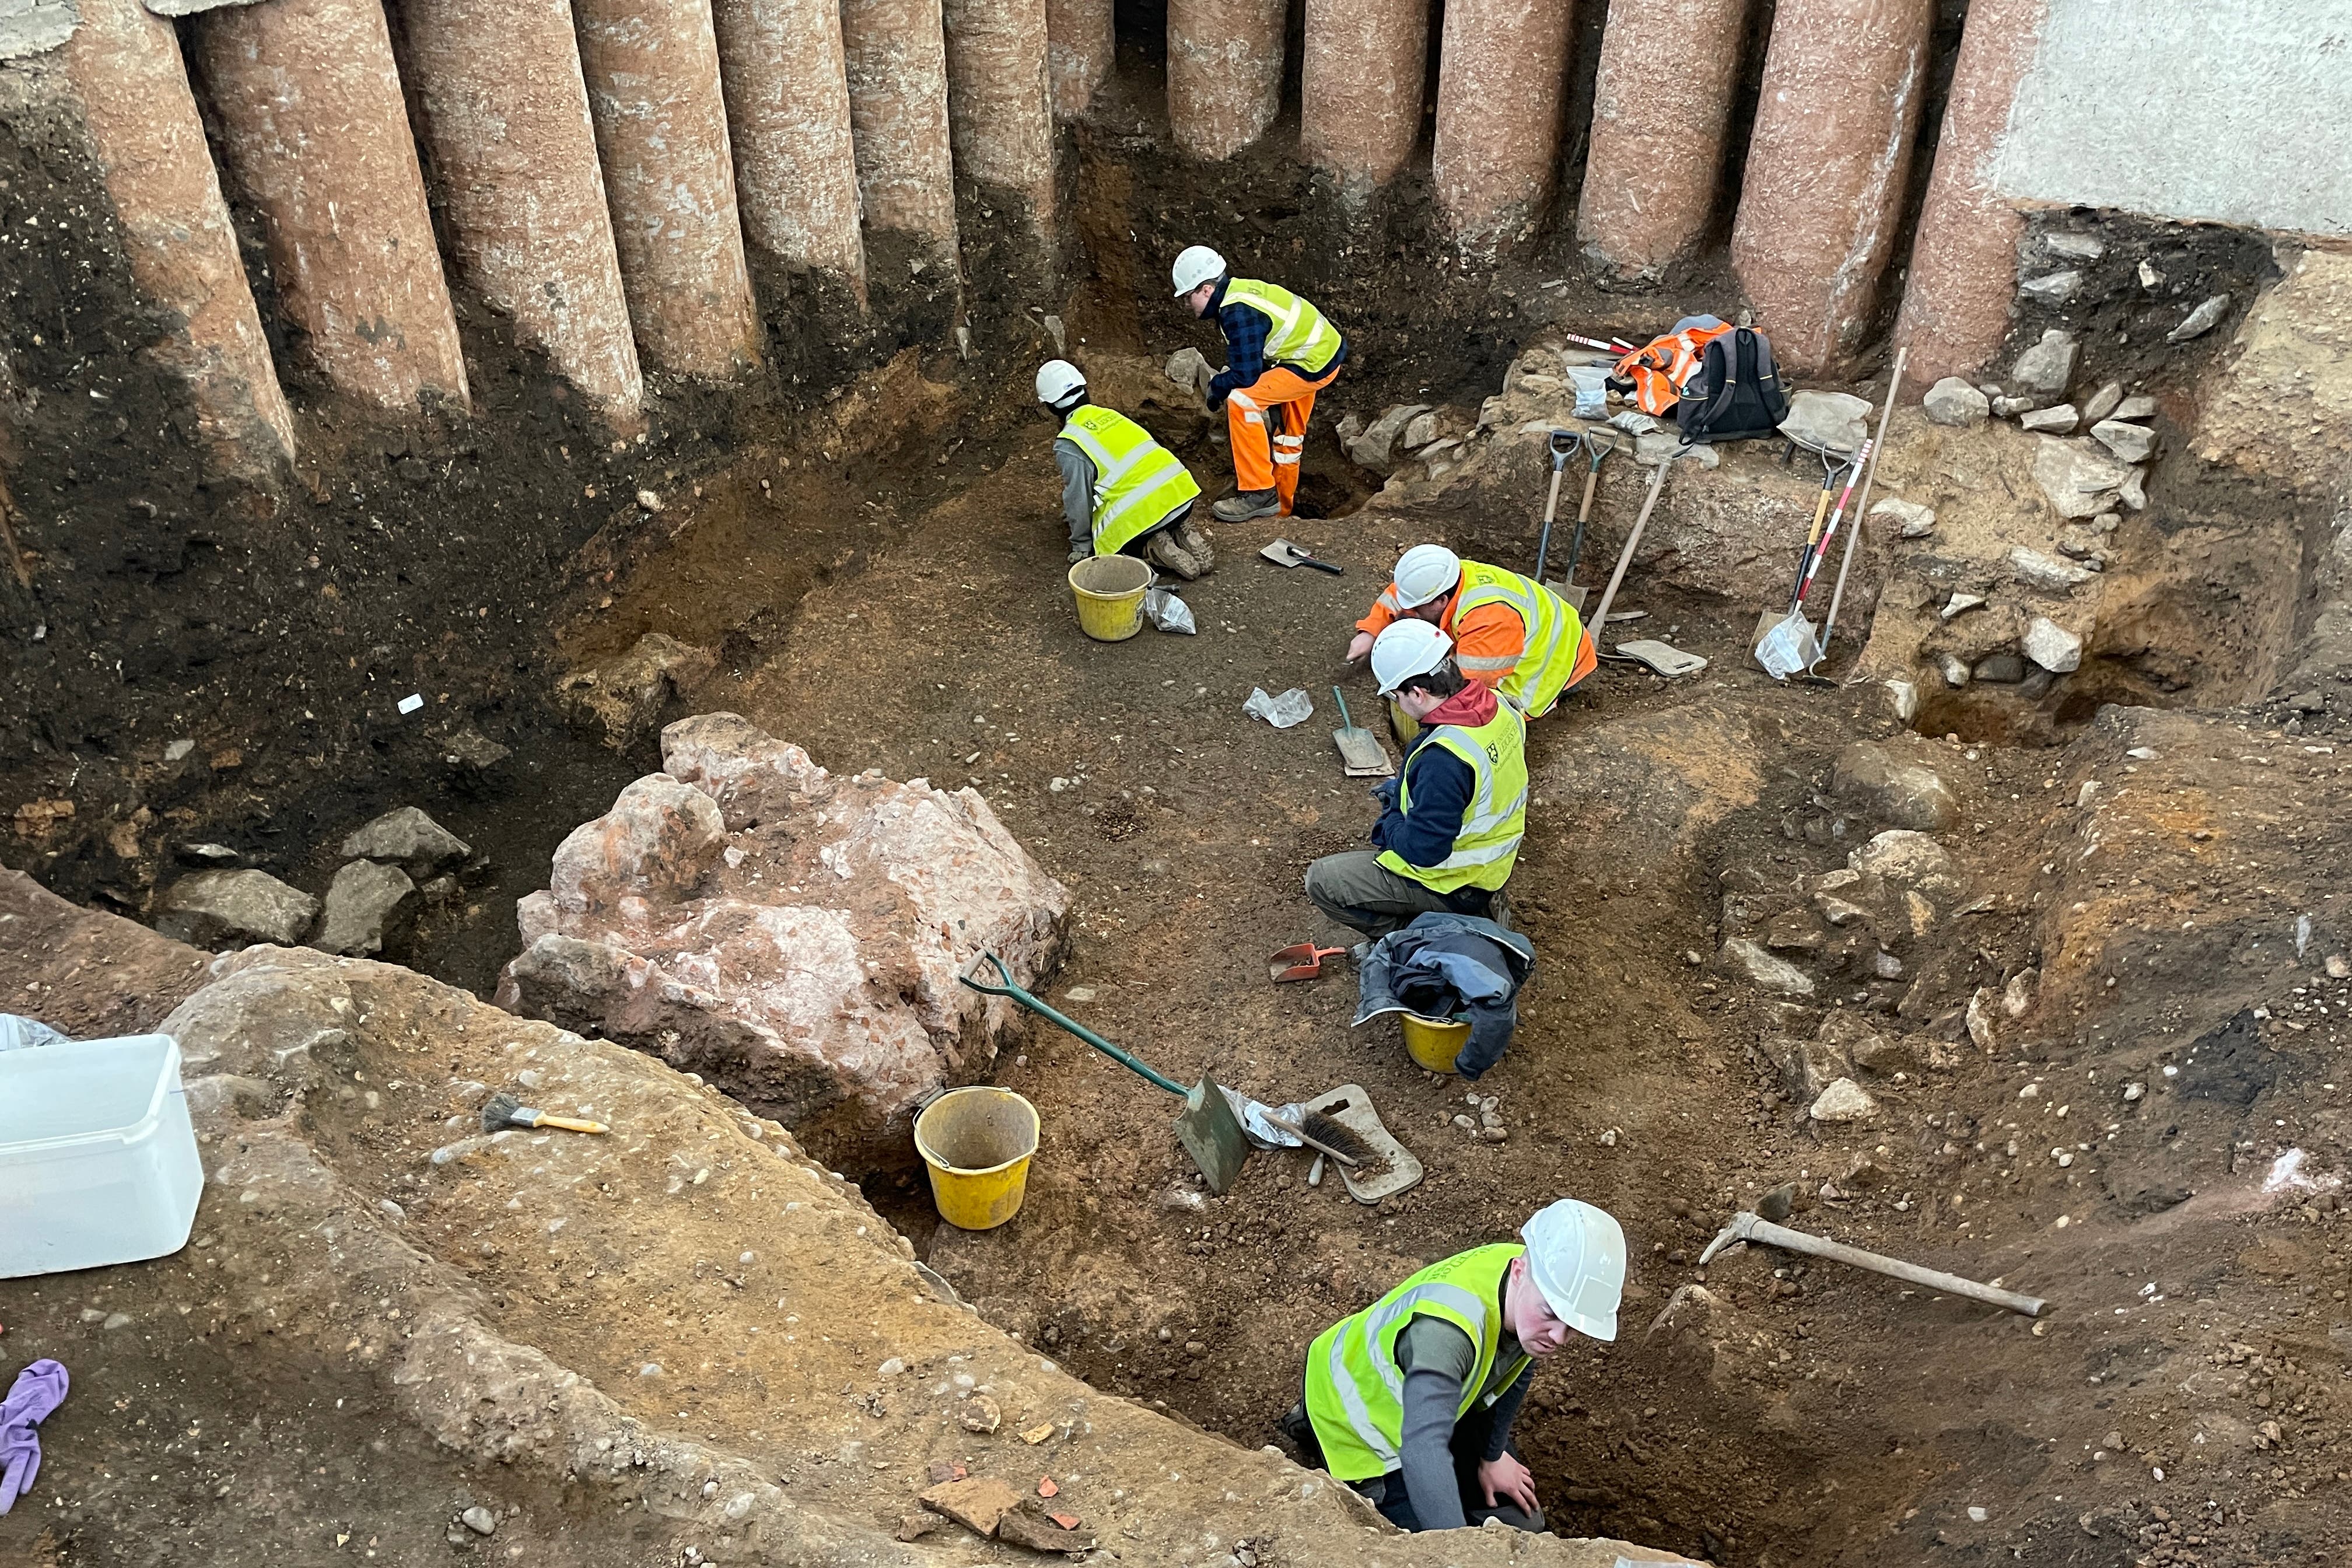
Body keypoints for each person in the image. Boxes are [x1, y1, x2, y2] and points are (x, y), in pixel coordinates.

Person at [1279, 1198, 1626, 1533]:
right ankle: (1312, 1426)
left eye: (1573, 1327)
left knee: (1523, 1523)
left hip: (1432, 1403)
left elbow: (1516, 1368)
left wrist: (1491, 1456)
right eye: (1552, 1316)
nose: (1559, 1338)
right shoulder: (1446, 1336)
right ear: (1520, 1273)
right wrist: (1455, 1548)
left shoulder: (1526, 1279)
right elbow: (1423, 1448)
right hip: (1355, 1421)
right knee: (1411, 1542)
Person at [1305, 621, 1525, 940]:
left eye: (1396, 697)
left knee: (1323, 880)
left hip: (1454, 883)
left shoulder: (1444, 759)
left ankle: (1417, 938)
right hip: (1493, 865)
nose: (1398, 705)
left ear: (1418, 693)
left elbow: (1424, 851)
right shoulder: (1499, 706)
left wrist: (1392, 820)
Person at [1171, 244, 1347, 523]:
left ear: (1206, 289)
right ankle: (1281, 514)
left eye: (1187, 297)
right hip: (1317, 352)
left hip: (1309, 364)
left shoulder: (1236, 313)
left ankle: (1259, 491)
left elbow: (1245, 376)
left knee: (1242, 401)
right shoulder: (1238, 291)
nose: (1186, 305)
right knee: (1288, 437)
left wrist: (1217, 387)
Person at [1346, 545, 1595, 718]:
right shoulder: (1446, 575)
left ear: (1440, 601)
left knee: (1494, 709)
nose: (1408, 611)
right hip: (1541, 628)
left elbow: (1463, 685)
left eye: (1416, 608)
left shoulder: (1489, 622)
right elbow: (1401, 595)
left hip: (1559, 660)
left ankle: (1555, 699)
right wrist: (1370, 632)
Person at [1037, 359, 1213, 579]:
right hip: (1181, 497)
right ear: (1084, 389)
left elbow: (1078, 498)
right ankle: (1180, 529)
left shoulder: (1070, 442)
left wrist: (1081, 545)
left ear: (1049, 406)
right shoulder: (1111, 415)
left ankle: (1153, 549)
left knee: (1113, 541)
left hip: (1143, 520)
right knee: (1163, 514)